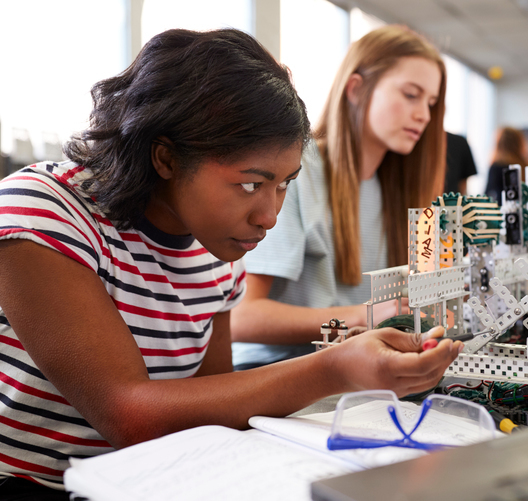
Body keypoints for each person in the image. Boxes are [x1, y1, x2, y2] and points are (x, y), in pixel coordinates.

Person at [0, 29, 461, 497]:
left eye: (284, 185)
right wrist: (335, 367)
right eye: (249, 184)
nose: (269, 215)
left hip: (158, 478)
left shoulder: (216, 244)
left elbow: (214, 398)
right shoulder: (42, 213)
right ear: (166, 157)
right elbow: (129, 414)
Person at [230, 26, 447, 370]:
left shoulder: (397, 190)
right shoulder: (296, 173)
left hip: (356, 375)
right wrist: (367, 315)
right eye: (410, 95)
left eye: (431, 103)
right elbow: (242, 318)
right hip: (278, 377)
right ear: (357, 89)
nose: (424, 115)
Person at [485, 126, 528, 232]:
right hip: (526, 221)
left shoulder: (496, 167)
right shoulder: (526, 165)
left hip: (503, 222)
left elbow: (488, 196)